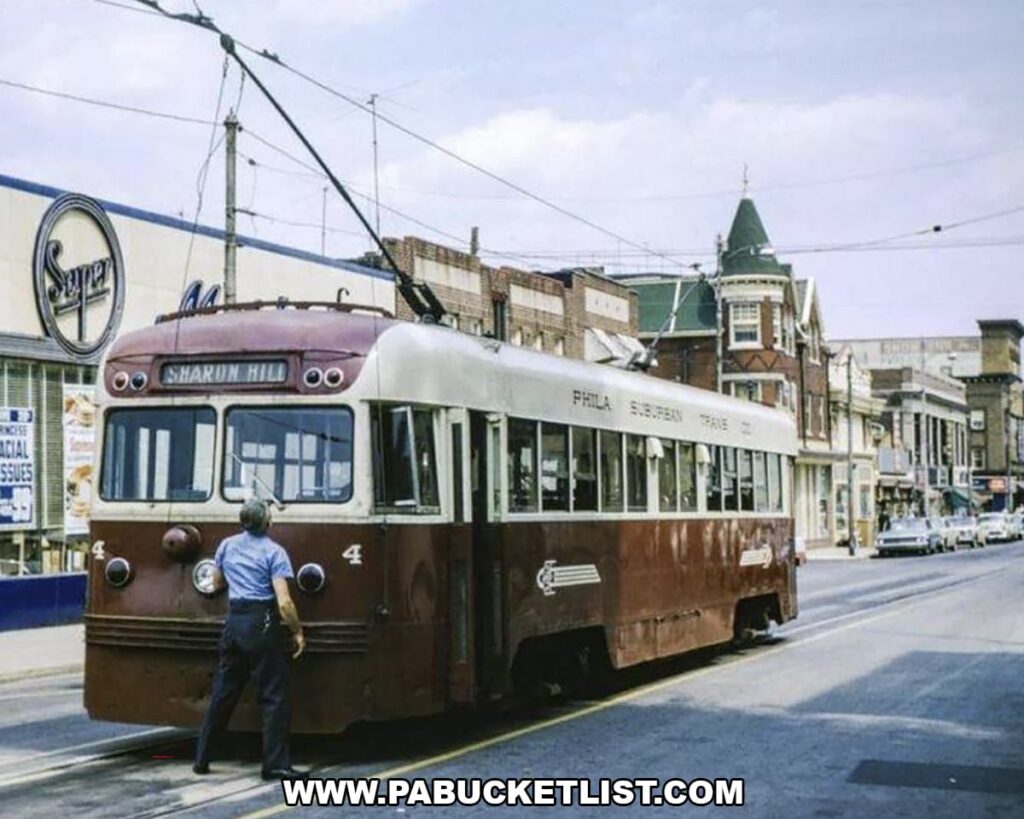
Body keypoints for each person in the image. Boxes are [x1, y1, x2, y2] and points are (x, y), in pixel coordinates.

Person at [193, 498, 307, 780]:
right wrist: (297, 631)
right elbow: (284, 604)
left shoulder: (227, 546)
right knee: (274, 694)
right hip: (262, 621)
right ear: (267, 522)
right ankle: (275, 765)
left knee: (224, 692)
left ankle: (202, 758)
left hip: (234, 621)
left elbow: (217, 583)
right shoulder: (275, 552)